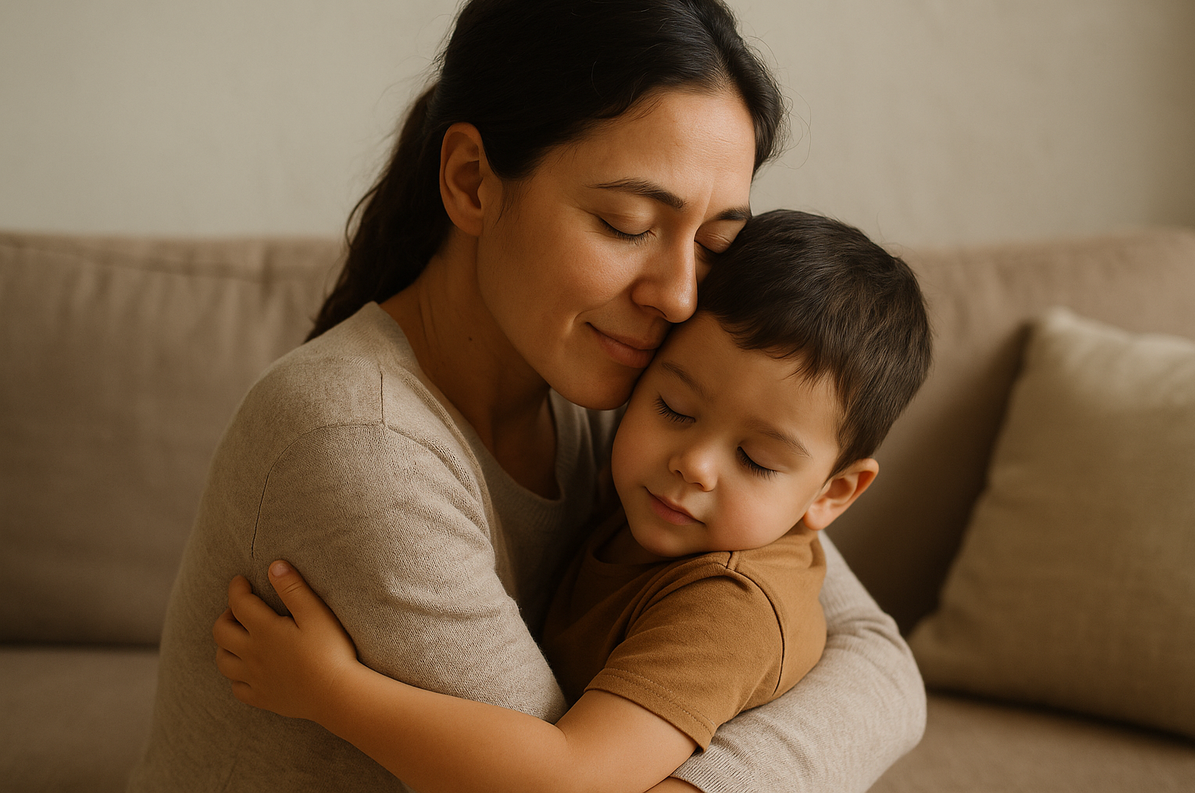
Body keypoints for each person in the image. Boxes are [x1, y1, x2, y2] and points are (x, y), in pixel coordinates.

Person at [128, 0, 926, 790]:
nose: (681, 296)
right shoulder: (361, 442)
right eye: (625, 224)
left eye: (717, 244)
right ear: (473, 181)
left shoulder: (650, 383)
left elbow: (878, 662)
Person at [213, 209, 933, 793]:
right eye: (676, 409)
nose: (695, 465)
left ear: (833, 494)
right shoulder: (641, 491)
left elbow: (568, 781)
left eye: (755, 458)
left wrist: (333, 693)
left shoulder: (729, 605)